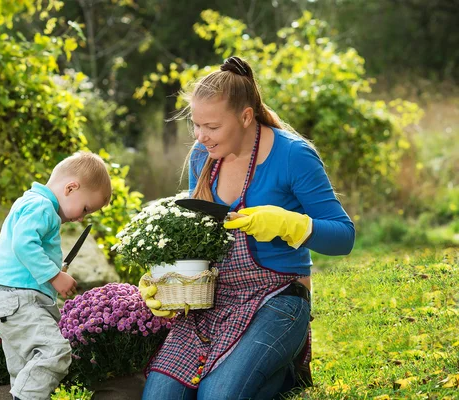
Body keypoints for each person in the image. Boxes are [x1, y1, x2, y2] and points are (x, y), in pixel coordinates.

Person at [140, 56, 355, 399]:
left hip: (279, 299)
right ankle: (273, 376)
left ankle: (282, 366)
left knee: (217, 395)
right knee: (159, 396)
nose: (201, 136)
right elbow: (201, 240)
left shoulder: (293, 155)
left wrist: (289, 223)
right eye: (196, 125)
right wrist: (168, 279)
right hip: (215, 301)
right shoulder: (202, 157)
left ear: (245, 116)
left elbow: (343, 237)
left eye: (211, 126)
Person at [0, 151, 112, 400]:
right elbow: (23, 244)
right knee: (55, 352)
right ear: (71, 187)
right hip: (20, 300)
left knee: (25, 372)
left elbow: (25, 248)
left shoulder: (33, 203)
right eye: (85, 208)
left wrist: (53, 270)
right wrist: (54, 276)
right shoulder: (42, 206)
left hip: (11, 301)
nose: (80, 217)